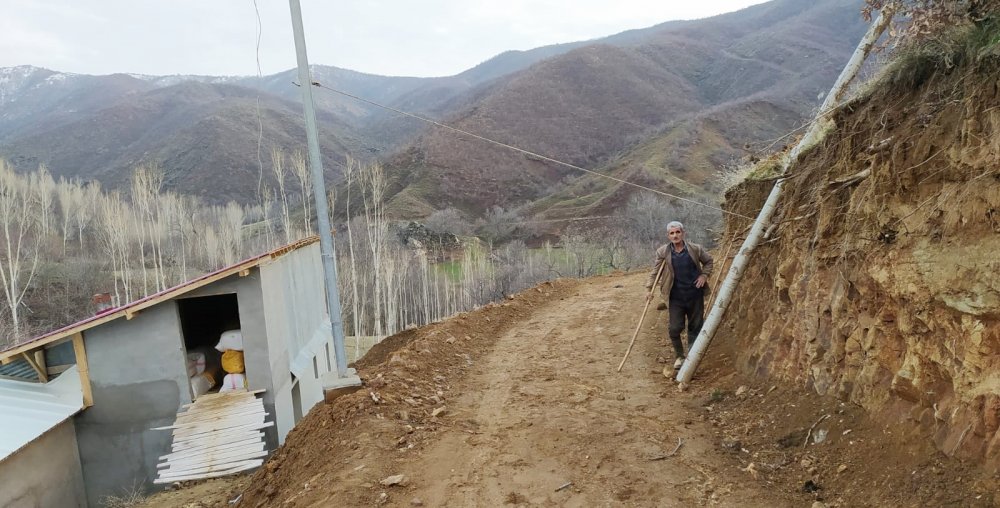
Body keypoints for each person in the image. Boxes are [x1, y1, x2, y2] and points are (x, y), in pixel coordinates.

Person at [645, 221, 714, 377]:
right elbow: (655, 272)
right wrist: (649, 289)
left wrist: (704, 275)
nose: (675, 235)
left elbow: (709, 261)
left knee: (695, 326)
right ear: (668, 235)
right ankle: (679, 356)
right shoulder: (663, 252)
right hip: (675, 296)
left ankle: (691, 358)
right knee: (675, 327)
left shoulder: (695, 249)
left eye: (677, 232)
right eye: (672, 233)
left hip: (694, 294)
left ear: (683, 233)